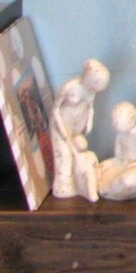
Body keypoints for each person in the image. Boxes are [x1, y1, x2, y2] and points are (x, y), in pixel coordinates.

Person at [50, 58, 110, 200]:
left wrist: (89, 121)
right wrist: (62, 131)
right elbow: (55, 109)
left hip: (77, 124)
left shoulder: (91, 91)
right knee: (65, 156)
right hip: (62, 124)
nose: (95, 90)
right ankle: (63, 189)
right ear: (90, 79)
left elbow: (90, 107)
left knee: (79, 149)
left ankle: (80, 185)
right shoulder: (70, 87)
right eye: (96, 85)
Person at [97, 101, 136, 201]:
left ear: (132, 119)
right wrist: (102, 166)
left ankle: (111, 190)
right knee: (96, 169)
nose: (115, 122)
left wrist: (134, 165)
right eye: (114, 119)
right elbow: (119, 160)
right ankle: (109, 189)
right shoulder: (120, 135)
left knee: (132, 178)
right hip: (123, 168)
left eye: (118, 119)